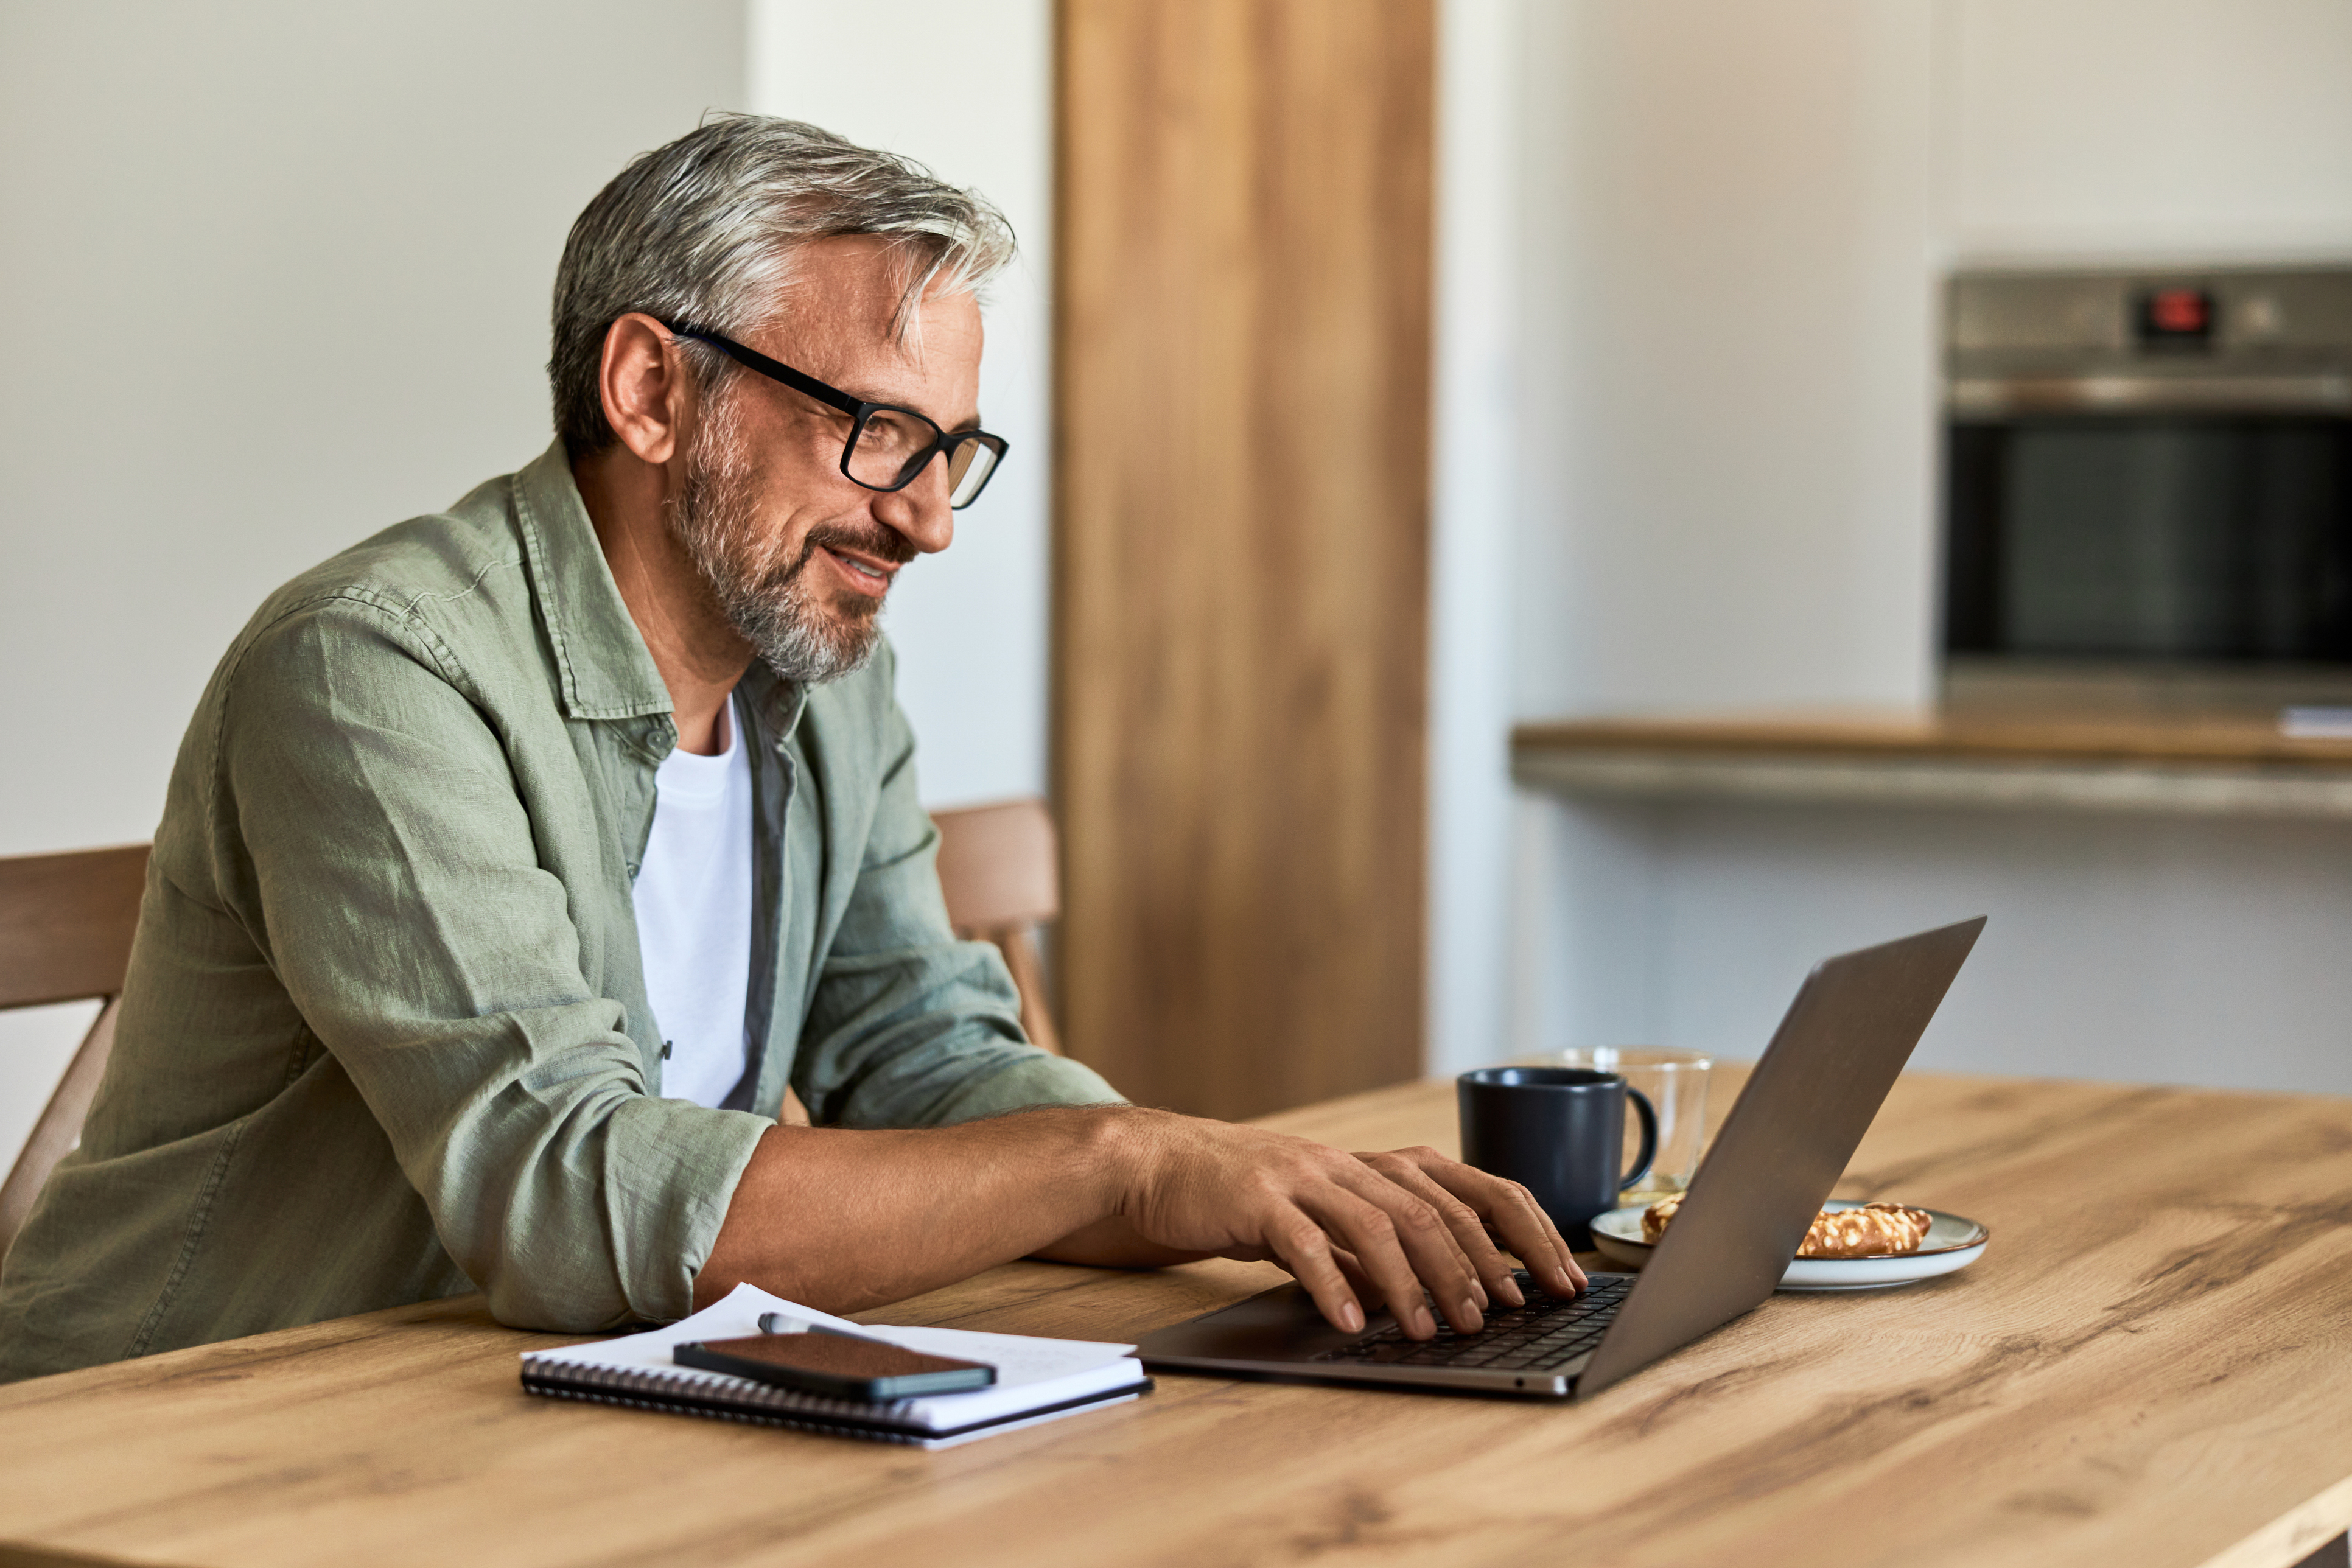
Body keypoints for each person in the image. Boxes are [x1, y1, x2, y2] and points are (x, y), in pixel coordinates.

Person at [0, 117, 1581, 1383]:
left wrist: (1230, 1187)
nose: (933, 518)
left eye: (955, 452)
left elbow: (933, 1062)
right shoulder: (371, 674)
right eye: (877, 433)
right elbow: (566, 1199)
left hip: (546, 1412)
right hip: (177, 1442)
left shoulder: (821, 685)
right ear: (650, 391)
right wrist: (1122, 1167)